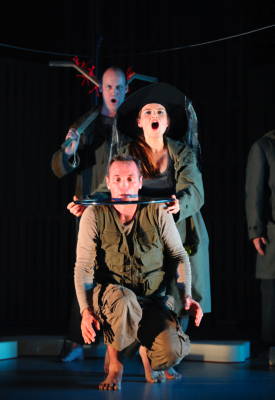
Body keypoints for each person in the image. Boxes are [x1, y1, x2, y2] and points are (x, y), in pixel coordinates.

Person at [70, 82, 211, 319]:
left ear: (167, 122)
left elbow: (195, 189)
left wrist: (180, 204)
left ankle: (173, 341)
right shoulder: (129, 152)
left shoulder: (182, 152)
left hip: (178, 225)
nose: (154, 116)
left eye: (160, 112)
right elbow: (109, 187)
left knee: (179, 293)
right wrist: (87, 203)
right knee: (143, 288)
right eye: (148, 112)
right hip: (143, 230)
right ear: (139, 121)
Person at [75, 154, 203, 390]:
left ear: (140, 181)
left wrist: (186, 295)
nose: (124, 185)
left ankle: (147, 350)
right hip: (114, 301)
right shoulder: (94, 215)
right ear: (109, 182)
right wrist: (85, 310)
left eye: (130, 178)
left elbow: (178, 255)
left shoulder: (157, 212)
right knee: (125, 301)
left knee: (172, 351)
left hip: (152, 299)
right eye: (118, 179)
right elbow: (83, 266)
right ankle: (115, 364)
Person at [51, 66, 128, 361]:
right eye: (109, 87)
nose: (114, 93)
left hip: (124, 212)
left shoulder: (133, 124)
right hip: (91, 209)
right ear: (101, 89)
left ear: (126, 90)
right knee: (86, 271)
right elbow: (61, 164)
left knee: (122, 273)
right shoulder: (87, 124)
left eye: (119, 88)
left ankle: (119, 344)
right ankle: (77, 340)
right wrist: (69, 152)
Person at [245, 130, 275, 347]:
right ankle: (271, 345)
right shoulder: (265, 145)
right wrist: (256, 230)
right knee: (272, 290)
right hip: (273, 232)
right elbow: (254, 190)